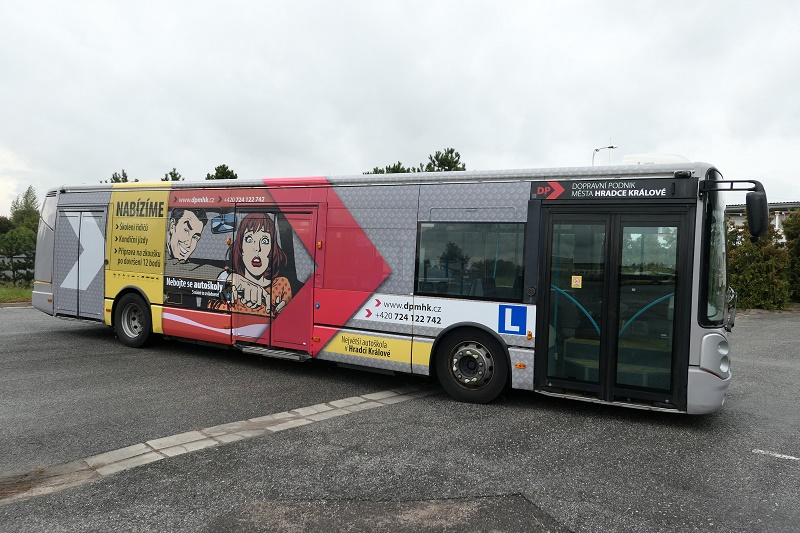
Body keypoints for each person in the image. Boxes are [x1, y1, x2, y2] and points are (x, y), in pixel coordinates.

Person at [213, 212, 293, 316]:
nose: (257, 248)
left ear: (271, 249)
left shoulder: (281, 285)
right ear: (241, 248)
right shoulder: (231, 283)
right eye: (249, 239)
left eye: (264, 240)